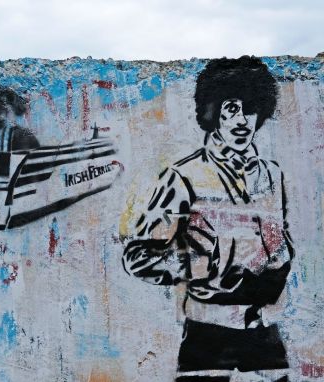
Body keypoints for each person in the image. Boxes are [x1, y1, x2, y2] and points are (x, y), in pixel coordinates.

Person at [122, 56, 293, 381]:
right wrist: (197, 263)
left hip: (264, 334)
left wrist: (278, 257)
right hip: (208, 335)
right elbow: (137, 257)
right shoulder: (184, 177)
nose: (242, 120)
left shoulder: (272, 174)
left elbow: (281, 241)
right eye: (231, 108)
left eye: (250, 109)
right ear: (214, 112)